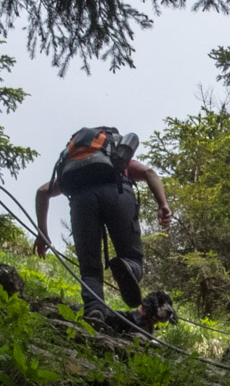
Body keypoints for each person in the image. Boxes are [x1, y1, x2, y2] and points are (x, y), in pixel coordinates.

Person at [33, 126, 172, 330]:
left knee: (90, 269)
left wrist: (42, 233)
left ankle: (94, 310)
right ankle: (129, 267)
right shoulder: (117, 161)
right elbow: (149, 173)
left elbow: (42, 192)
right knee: (132, 257)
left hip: (81, 200)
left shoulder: (76, 168)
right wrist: (163, 204)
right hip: (117, 192)